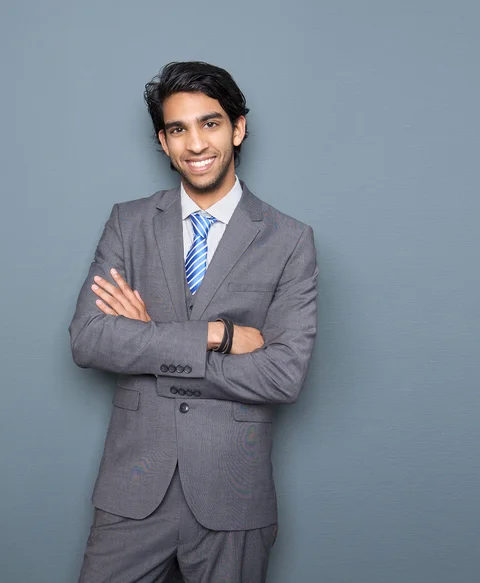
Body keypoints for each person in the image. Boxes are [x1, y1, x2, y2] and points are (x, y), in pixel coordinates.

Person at [69, 61, 318, 583]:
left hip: (233, 492)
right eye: (178, 129)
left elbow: (283, 375)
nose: (196, 144)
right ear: (163, 141)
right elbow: (90, 339)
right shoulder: (128, 222)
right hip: (133, 488)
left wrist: (146, 342)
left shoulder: (290, 239)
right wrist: (217, 336)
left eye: (210, 123)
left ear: (238, 128)